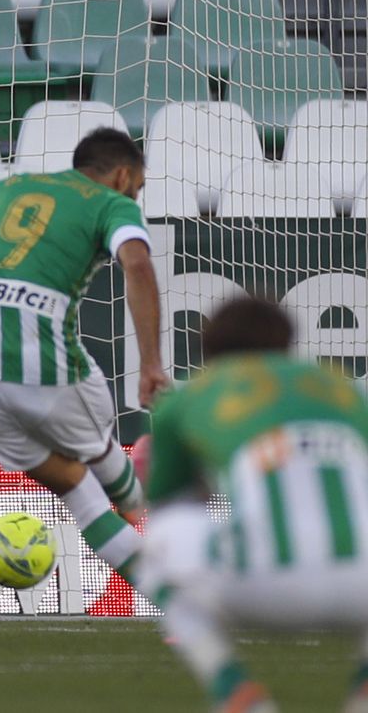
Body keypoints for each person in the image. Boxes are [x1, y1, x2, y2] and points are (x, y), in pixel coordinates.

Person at [0, 127, 170, 583]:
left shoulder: (4, 188)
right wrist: (150, 365)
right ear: (124, 176)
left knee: (77, 490)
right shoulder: (111, 204)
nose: (136, 198)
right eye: (139, 189)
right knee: (100, 444)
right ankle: (140, 502)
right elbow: (138, 265)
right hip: (41, 363)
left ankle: (167, 592)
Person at [137, 297, 368, 713]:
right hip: (362, 586)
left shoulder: (193, 392)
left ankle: (236, 692)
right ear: (287, 345)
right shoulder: (341, 385)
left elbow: (169, 502)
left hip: (263, 588)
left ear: (210, 353)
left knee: (157, 543)